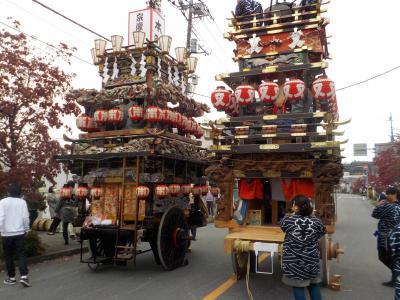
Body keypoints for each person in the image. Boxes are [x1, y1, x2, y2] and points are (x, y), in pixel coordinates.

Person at [280, 195, 325, 300]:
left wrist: (291, 215)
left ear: (296, 207)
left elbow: (282, 225)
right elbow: (322, 232)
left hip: (294, 261)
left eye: (293, 205)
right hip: (311, 260)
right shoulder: (317, 221)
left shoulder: (288, 220)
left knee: (298, 287)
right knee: (314, 285)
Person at [0, 184, 31, 287]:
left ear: (8, 192)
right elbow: (25, 217)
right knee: (21, 254)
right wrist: (27, 229)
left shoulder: (3, 202)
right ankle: (24, 276)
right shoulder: (22, 202)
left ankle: (12, 278)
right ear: (19, 192)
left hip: (6, 233)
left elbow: (1, 217)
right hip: (19, 232)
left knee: (8, 256)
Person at [372, 187, 400, 287]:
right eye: (387, 194)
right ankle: (395, 278)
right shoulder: (398, 206)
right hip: (396, 236)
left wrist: (378, 205)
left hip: (385, 237)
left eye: (390, 194)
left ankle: (396, 276)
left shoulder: (389, 206)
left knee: (383, 256)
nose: (388, 196)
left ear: (395, 195)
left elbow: (375, 214)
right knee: (393, 257)